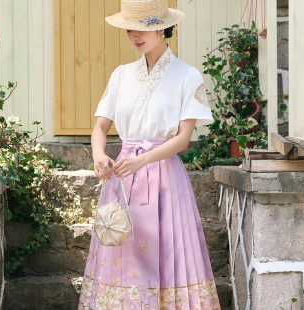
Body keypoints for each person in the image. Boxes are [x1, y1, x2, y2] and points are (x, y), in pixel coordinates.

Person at [78, 0, 221, 309]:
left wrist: (142, 160)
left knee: (169, 253)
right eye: (130, 30)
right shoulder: (121, 75)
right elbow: (100, 127)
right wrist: (99, 155)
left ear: (162, 27)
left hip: (164, 176)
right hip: (124, 177)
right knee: (123, 252)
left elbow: (183, 139)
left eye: (142, 29)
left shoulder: (187, 75)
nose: (135, 36)